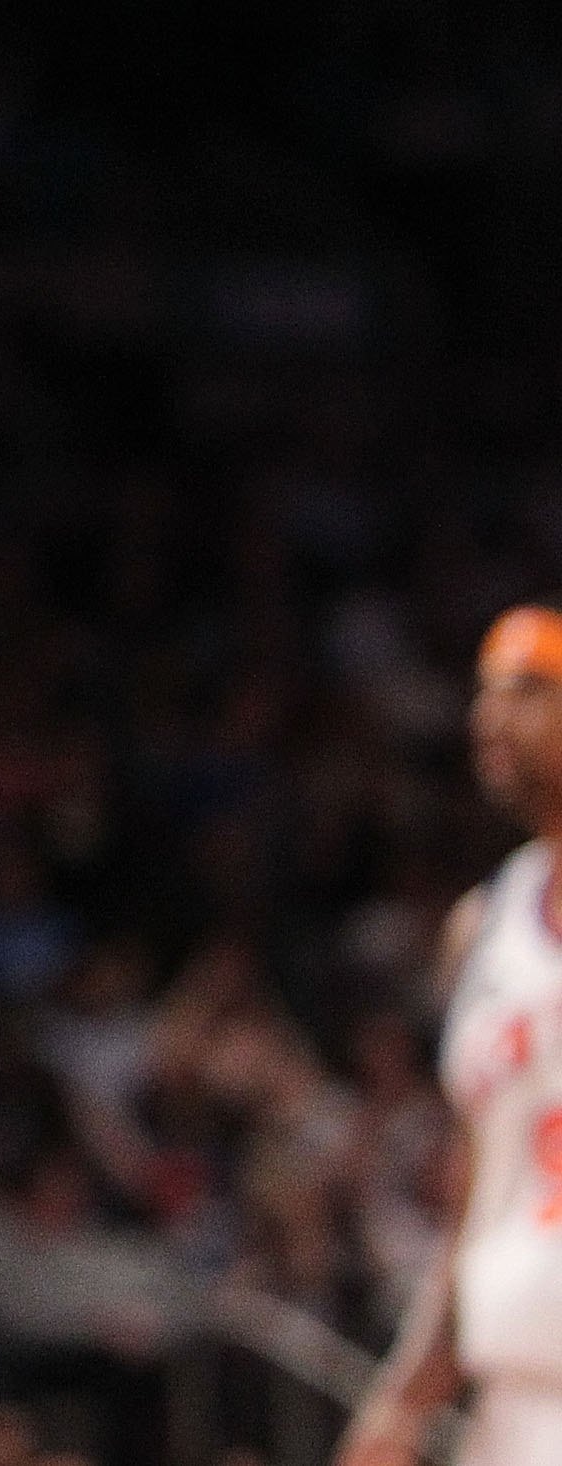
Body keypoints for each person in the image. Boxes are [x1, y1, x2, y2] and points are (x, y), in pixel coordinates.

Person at [339, 603, 562, 1466]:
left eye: (529, 691)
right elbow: (476, 1194)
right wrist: (404, 1395)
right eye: (484, 694)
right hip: (510, 1395)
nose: (489, 717)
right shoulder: (484, 927)